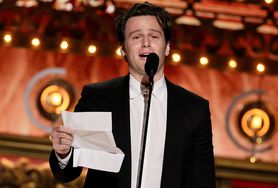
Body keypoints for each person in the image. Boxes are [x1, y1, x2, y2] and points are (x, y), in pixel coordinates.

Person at [49, 2, 216, 188]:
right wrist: (63, 153)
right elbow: (66, 173)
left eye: (154, 36)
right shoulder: (97, 98)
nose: (146, 43)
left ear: (167, 47)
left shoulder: (194, 109)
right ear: (124, 50)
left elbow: (203, 182)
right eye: (136, 36)